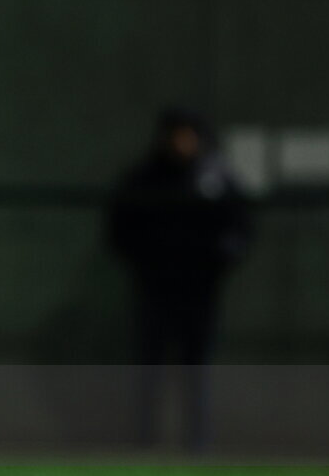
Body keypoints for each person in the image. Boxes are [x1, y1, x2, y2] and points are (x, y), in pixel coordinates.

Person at [107, 107, 251, 451]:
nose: (183, 142)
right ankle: (143, 441)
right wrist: (148, 261)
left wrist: (219, 260)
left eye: (190, 135)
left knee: (196, 368)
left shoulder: (215, 178)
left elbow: (241, 228)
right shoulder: (144, 178)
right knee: (149, 369)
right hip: (156, 288)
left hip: (200, 291)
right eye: (177, 134)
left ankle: (197, 443)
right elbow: (119, 230)